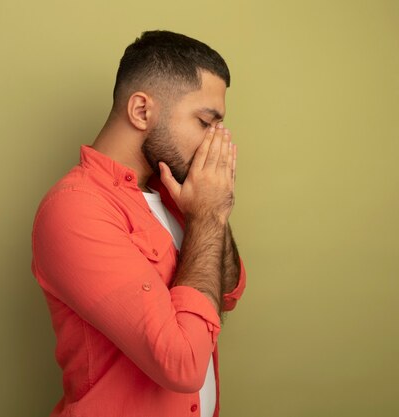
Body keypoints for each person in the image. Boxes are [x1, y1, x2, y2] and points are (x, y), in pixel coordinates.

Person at [31, 29, 247, 417]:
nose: (216, 141)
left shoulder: (174, 194)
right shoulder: (75, 210)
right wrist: (208, 215)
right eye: (205, 122)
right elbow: (180, 363)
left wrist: (211, 214)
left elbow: (227, 291)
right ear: (142, 111)